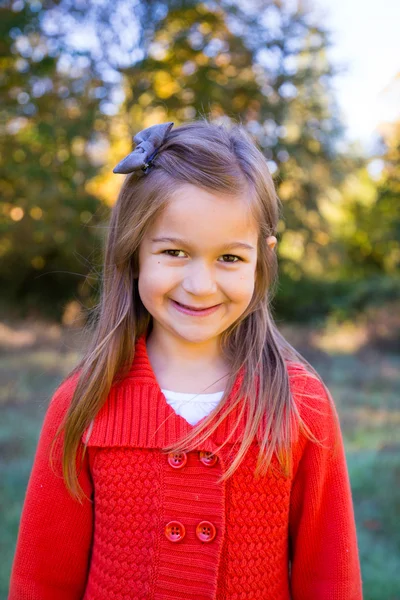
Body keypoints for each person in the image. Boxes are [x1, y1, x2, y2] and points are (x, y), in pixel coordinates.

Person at [8, 119, 363, 600]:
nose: (200, 285)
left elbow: (331, 581)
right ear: (134, 253)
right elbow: (41, 582)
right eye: (174, 251)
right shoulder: (82, 404)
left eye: (230, 258)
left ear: (263, 258)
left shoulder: (300, 406)